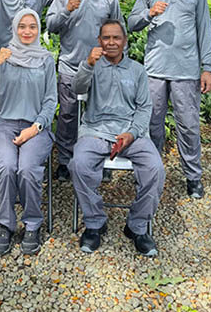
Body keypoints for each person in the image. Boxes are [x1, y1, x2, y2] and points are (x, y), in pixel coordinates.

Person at [0, 9, 57, 256]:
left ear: (38, 30)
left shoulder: (46, 60)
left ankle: (32, 224)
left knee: (27, 168)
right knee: (6, 166)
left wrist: (35, 128)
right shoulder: (2, 56)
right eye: (22, 27)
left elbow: (50, 101)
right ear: (14, 29)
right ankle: (5, 223)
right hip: (3, 125)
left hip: (36, 128)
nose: (27, 31)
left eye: (32, 27)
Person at [70, 20, 165, 256]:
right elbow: (77, 89)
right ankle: (94, 222)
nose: (111, 42)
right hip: (96, 130)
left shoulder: (137, 70)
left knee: (155, 168)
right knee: (78, 165)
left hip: (130, 132)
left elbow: (144, 108)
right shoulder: (93, 64)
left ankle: (137, 225)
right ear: (99, 41)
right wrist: (88, 64)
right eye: (106, 38)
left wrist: (131, 133)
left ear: (124, 41)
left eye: (116, 38)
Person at [127, 0, 211, 199]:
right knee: (151, 124)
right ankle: (149, 173)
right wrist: (148, 13)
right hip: (154, 70)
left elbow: (204, 31)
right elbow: (131, 24)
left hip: (186, 71)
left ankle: (193, 176)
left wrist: (207, 68)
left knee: (188, 125)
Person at [46, 0, 123, 180]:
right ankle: (65, 162)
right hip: (71, 67)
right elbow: (51, 26)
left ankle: (101, 162)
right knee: (68, 116)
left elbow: (119, 33)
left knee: (100, 116)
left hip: (101, 70)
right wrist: (66, 9)